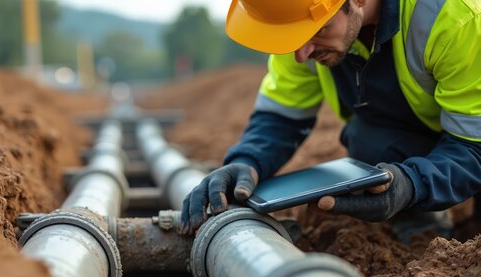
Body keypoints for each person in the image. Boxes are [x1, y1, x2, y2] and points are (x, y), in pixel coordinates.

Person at [180, 0, 481, 241]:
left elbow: (474, 147)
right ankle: (421, 215)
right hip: (431, 126)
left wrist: (411, 183)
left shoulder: (453, 18)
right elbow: (281, 116)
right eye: (294, 38)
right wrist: (247, 161)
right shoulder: (300, 29)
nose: (301, 53)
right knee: (372, 142)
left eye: (320, 30)